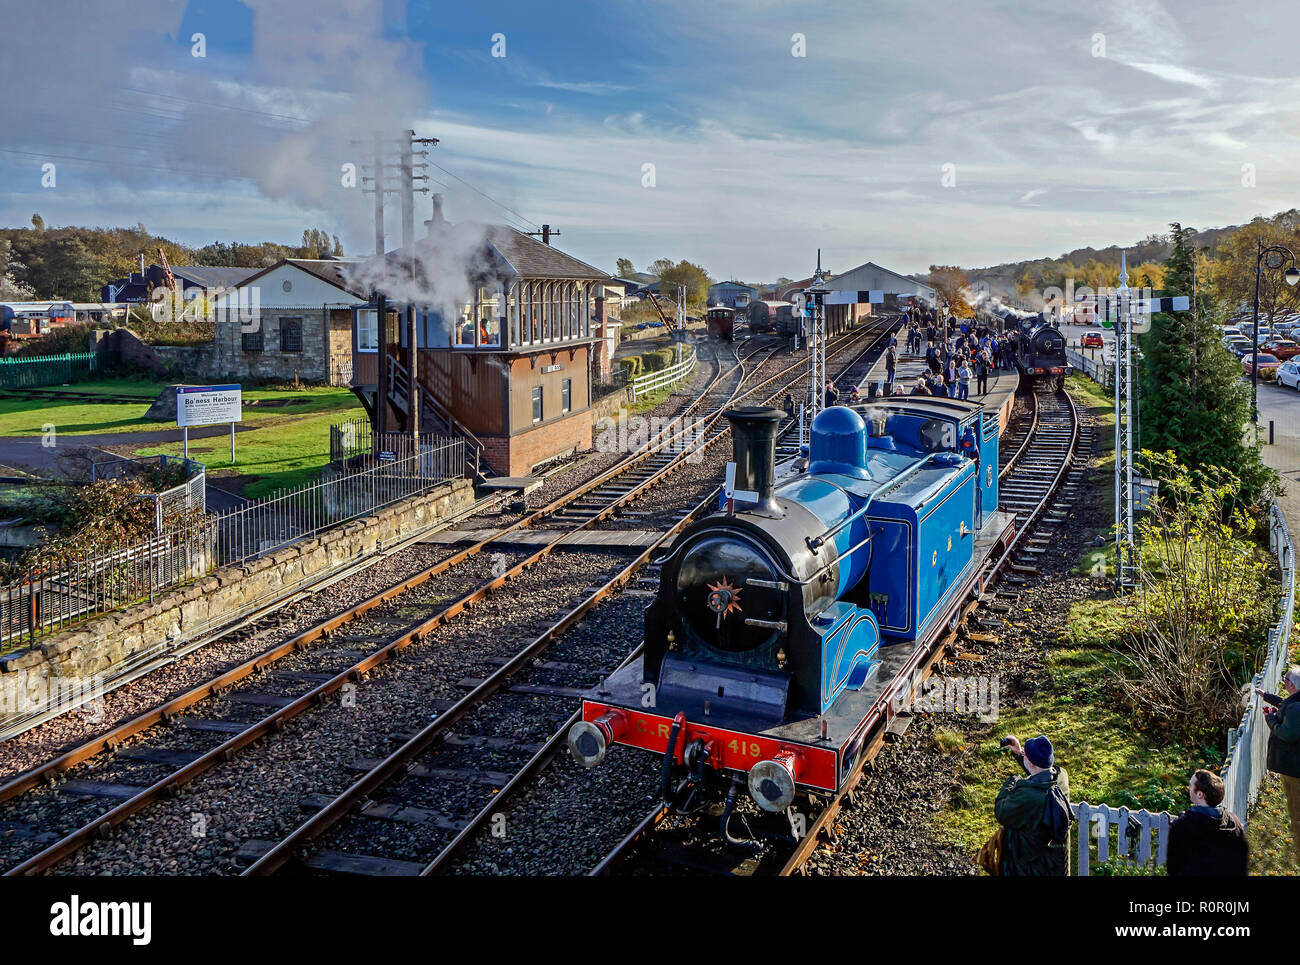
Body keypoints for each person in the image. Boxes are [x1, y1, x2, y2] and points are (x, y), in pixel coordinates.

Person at [994, 735, 1072, 876]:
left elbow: (1001, 812)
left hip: (1029, 865)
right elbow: (1040, 774)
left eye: (1026, 755)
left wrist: (1010, 782)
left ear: (1031, 764)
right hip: (1053, 864)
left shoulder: (1028, 796)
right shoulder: (1061, 778)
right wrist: (1019, 753)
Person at [1166, 769, 1248, 876]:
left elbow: (1174, 868)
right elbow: (1241, 864)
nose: (1188, 788)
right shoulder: (1234, 822)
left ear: (1200, 794)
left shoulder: (1181, 826)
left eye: (1191, 785)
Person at [1259, 666, 1300, 862]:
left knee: (1296, 810)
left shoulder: (1296, 708)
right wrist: (1265, 696)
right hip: (1294, 767)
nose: (1284, 682)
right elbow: (1284, 704)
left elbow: (1286, 734)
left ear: (1292, 685)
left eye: (1286, 679)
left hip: (1294, 768)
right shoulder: (1295, 702)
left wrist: (1270, 719)